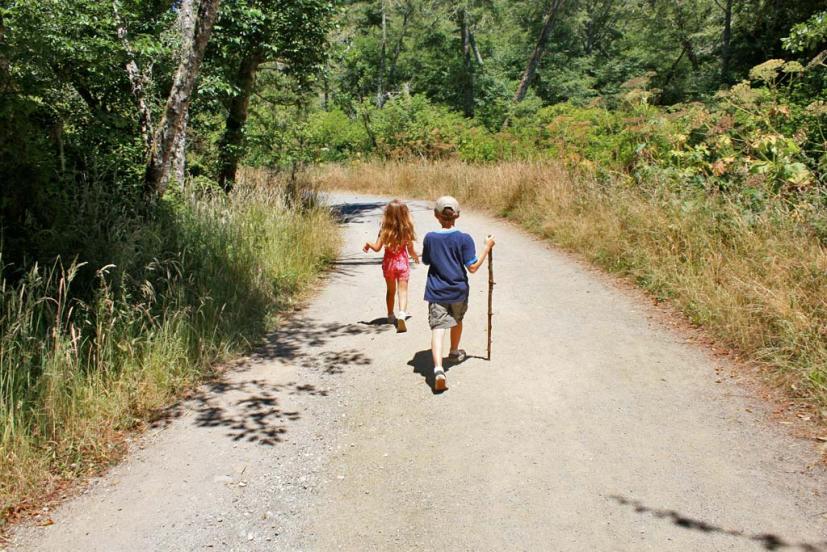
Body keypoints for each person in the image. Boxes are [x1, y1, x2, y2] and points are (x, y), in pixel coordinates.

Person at [422, 196, 494, 391]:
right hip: (458, 290)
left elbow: (427, 261)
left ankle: (438, 369)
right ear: (457, 216)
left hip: (437, 290)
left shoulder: (430, 237)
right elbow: (472, 268)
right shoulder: (464, 238)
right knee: (457, 319)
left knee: (438, 327)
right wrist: (486, 248)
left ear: (436, 215)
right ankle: (453, 351)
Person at [363, 199, 421, 333]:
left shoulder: (384, 230)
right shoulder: (406, 230)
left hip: (389, 264)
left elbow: (377, 248)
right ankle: (401, 314)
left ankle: (390, 315)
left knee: (391, 291)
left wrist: (368, 244)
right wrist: (415, 256)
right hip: (402, 264)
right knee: (403, 291)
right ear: (404, 214)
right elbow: (411, 250)